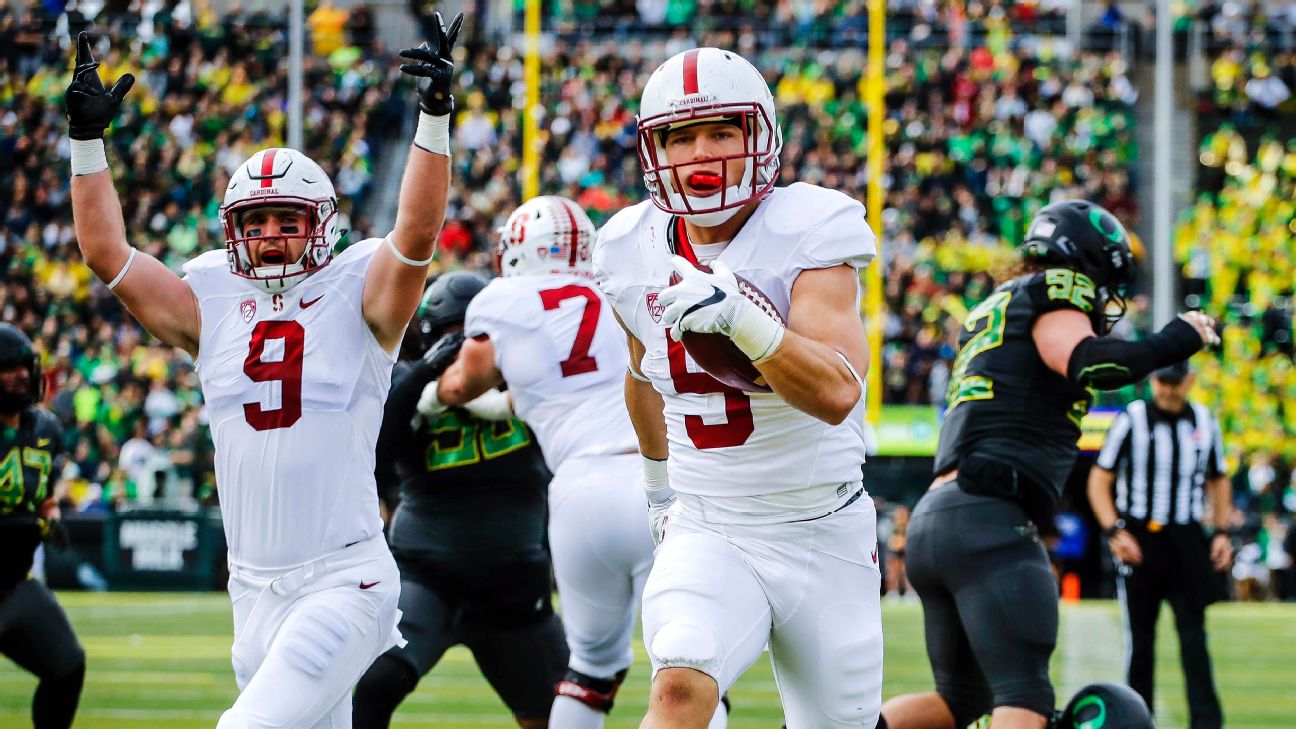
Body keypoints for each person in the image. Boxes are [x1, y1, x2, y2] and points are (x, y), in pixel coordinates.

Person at [64, 15, 463, 726]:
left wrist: (432, 120)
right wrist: (87, 143)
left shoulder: (359, 292)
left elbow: (418, 235)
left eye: (287, 218)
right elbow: (106, 253)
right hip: (252, 592)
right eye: (256, 222)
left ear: (322, 223)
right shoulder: (210, 297)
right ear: (233, 230)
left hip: (345, 580)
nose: (270, 235)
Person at [592, 47, 882, 728]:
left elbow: (837, 392)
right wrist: (659, 488)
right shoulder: (628, 245)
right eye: (681, 136)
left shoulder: (810, 225)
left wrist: (746, 320)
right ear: (652, 149)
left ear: (760, 137)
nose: (702, 153)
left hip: (822, 526)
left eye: (721, 130)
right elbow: (643, 375)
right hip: (711, 521)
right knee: (679, 681)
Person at [879, 200, 1218, 729]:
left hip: (938, 518)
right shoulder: (1058, 290)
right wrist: (1179, 337)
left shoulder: (997, 304)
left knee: (961, 702)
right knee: (1025, 698)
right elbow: (1091, 362)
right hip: (991, 516)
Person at [427, 197, 729, 729]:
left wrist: (423, 396)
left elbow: (462, 384)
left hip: (578, 495)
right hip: (661, 483)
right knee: (692, 674)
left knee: (589, 673)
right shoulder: (623, 287)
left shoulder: (502, 301)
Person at [352, 272, 570, 729]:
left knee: (558, 714)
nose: (466, 350)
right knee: (371, 691)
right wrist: (426, 372)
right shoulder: (406, 387)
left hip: (513, 583)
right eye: (457, 337)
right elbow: (373, 455)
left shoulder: (532, 383)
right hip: (427, 578)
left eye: (479, 337)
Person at [1088, 359, 1231, 729]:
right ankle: (1137, 721)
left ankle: (1207, 722)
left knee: (1194, 639)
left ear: (1190, 381)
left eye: (1175, 382)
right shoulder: (1131, 419)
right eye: (1162, 382)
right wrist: (1113, 531)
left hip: (1185, 536)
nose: (1168, 390)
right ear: (1152, 381)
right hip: (1140, 537)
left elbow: (1219, 478)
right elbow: (1099, 478)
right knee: (1140, 641)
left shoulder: (1204, 420)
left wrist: (1221, 532)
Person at [0, 323, 85, 729]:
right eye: (8, 367)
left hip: (14, 582)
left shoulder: (45, 429)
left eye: (25, 366)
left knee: (66, 666)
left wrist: (50, 516)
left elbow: (42, 495)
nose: (21, 375)